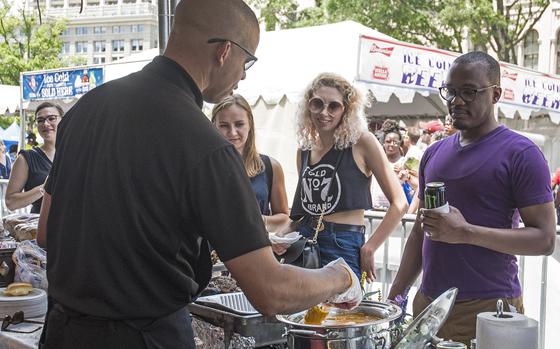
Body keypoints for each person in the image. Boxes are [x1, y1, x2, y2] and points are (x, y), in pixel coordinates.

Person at [37, 2, 361, 348]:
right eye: (246, 61)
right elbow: (271, 291)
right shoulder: (206, 146)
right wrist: (339, 276)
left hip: (62, 330)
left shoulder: (86, 108)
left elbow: (46, 232)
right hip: (145, 336)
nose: (244, 74)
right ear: (225, 51)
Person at [388, 51, 556, 345]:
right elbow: (420, 230)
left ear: (496, 94)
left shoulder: (521, 154)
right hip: (428, 306)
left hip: (488, 308)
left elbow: (544, 239)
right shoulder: (433, 154)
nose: (456, 100)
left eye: (469, 92)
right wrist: (397, 296)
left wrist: (465, 233)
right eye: (450, 91)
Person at [275, 72, 408, 281]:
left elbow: (400, 203)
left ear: (346, 109)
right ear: (308, 106)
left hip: (343, 243)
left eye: (333, 106)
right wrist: (280, 236)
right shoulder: (304, 151)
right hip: (304, 242)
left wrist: (370, 247)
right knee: (299, 313)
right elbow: (301, 214)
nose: (324, 112)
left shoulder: (362, 142)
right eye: (317, 103)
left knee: (340, 312)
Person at [211, 94, 289, 231]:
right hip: (212, 251)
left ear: (250, 124)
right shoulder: (204, 167)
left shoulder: (271, 166)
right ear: (213, 126)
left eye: (239, 124)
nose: (232, 132)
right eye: (224, 125)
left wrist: (257, 220)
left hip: (256, 249)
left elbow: (284, 219)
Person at [5, 102, 62, 213]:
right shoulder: (26, 158)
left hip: (73, 224)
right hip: (41, 226)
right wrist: (44, 188)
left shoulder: (75, 153)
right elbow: (11, 202)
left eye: (51, 118)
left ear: (63, 121)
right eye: (40, 120)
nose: (45, 123)